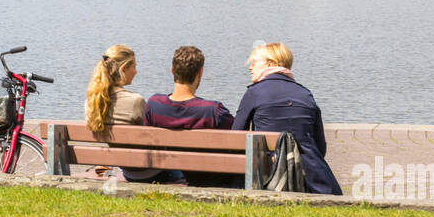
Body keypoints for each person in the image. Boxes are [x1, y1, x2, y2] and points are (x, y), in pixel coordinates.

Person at [230, 42, 342, 194]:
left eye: (254, 62)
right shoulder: (305, 94)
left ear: (269, 64)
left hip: (269, 176)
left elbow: (236, 136)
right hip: (313, 178)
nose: (250, 67)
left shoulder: (254, 93)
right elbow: (320, 148)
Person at [86, 45, 180, 184]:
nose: (136, 72)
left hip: (127, 170)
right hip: (151, 172)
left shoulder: (93, 102)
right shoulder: (135, 101)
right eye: (134, 67)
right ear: (124, 69)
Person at [145, 46, 235, 187]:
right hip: (210, 177)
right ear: (200, 72)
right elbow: (236, 139)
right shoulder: (213, 111)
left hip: (169, 172)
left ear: (172, 70)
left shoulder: (154, 104)